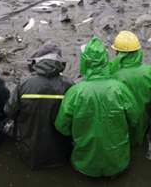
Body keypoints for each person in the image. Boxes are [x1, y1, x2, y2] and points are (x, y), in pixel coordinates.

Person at [55, 38, 139, 178]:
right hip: (118, 163)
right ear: (106, 61)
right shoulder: (120, 89)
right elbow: (134, 120)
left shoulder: (75, 92)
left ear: (84, 62)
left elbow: (62, 126)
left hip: (85, 164)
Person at [4, 43, 75, 170]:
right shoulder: (69, 85)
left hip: (29, 155)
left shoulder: (24, 83)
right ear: (60, 62)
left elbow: (10, 112)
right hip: (60, 155)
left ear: (37, 60)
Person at [109, 31, 151, 145]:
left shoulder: (112, 76)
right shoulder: (150, 71)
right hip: (144, 119)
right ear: (138, 52)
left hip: (122, 123)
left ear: (117, 54)